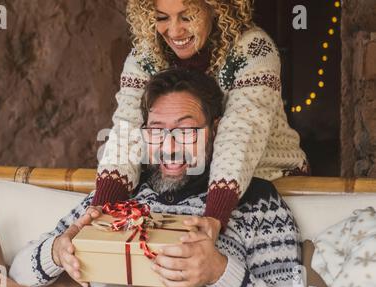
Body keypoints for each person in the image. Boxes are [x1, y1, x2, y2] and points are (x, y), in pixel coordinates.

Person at [9, 69, 306, 287]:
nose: (169, 146)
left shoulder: (256, 201)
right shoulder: (117, 197)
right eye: (157, 130)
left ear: (215, 130)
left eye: (186, 130)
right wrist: (56, 253)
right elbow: (17, 271)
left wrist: (218, 271)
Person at [90, 0, 309, 239]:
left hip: (266, 181)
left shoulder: (253, 49)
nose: (174, 31)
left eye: (187, 17)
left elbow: (240, 134)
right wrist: (102, 207)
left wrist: (214, 217)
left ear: (216, 7)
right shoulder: (145, 54)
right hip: (191, 186)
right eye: (162, 18)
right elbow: (127, 127)